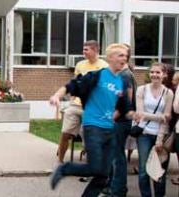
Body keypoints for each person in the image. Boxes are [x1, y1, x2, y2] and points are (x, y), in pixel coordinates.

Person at [49, 43, 132, 196]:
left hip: (109, 129)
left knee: (103, 175)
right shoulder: (97, 75)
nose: (124, 58)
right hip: (93, 127)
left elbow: (123, 108)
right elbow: (72, 85)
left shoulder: (122, 82)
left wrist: (134, 115)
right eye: (121, 55)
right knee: (94, 167)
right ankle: (64, 168)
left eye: (126, 56)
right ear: (110, 58)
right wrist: (57, 96)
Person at [55, 40, 108, 164]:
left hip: (91, 107)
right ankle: (60, 162)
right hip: (76, 105)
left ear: (95, 50)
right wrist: (73, 97)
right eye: (83, 49)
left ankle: (90, 166)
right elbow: (75, 82)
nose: (83, 52)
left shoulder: (104, 66)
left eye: (86, 49)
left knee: (89, 138)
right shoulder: (80, 65)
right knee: (65, 133)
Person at [133, 63, 173, 197]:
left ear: (164, 75)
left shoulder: (168, 93)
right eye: (152, 72)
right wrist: (161, 117)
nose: (154, 75)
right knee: (144, 170)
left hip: (160, 135)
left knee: (159, 169)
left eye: (158, 72)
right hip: (144, 133)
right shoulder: (141, 90)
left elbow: (167, 119)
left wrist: (160, 140)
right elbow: (140, 114)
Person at [108, 44, 137, 197]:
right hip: (118, 121)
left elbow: (127, 101)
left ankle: (118, 191)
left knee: (117, 157)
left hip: (120, 122)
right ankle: (113, 187)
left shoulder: (125, 75)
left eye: (121, 55)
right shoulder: (122, 73)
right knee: (114, 155)